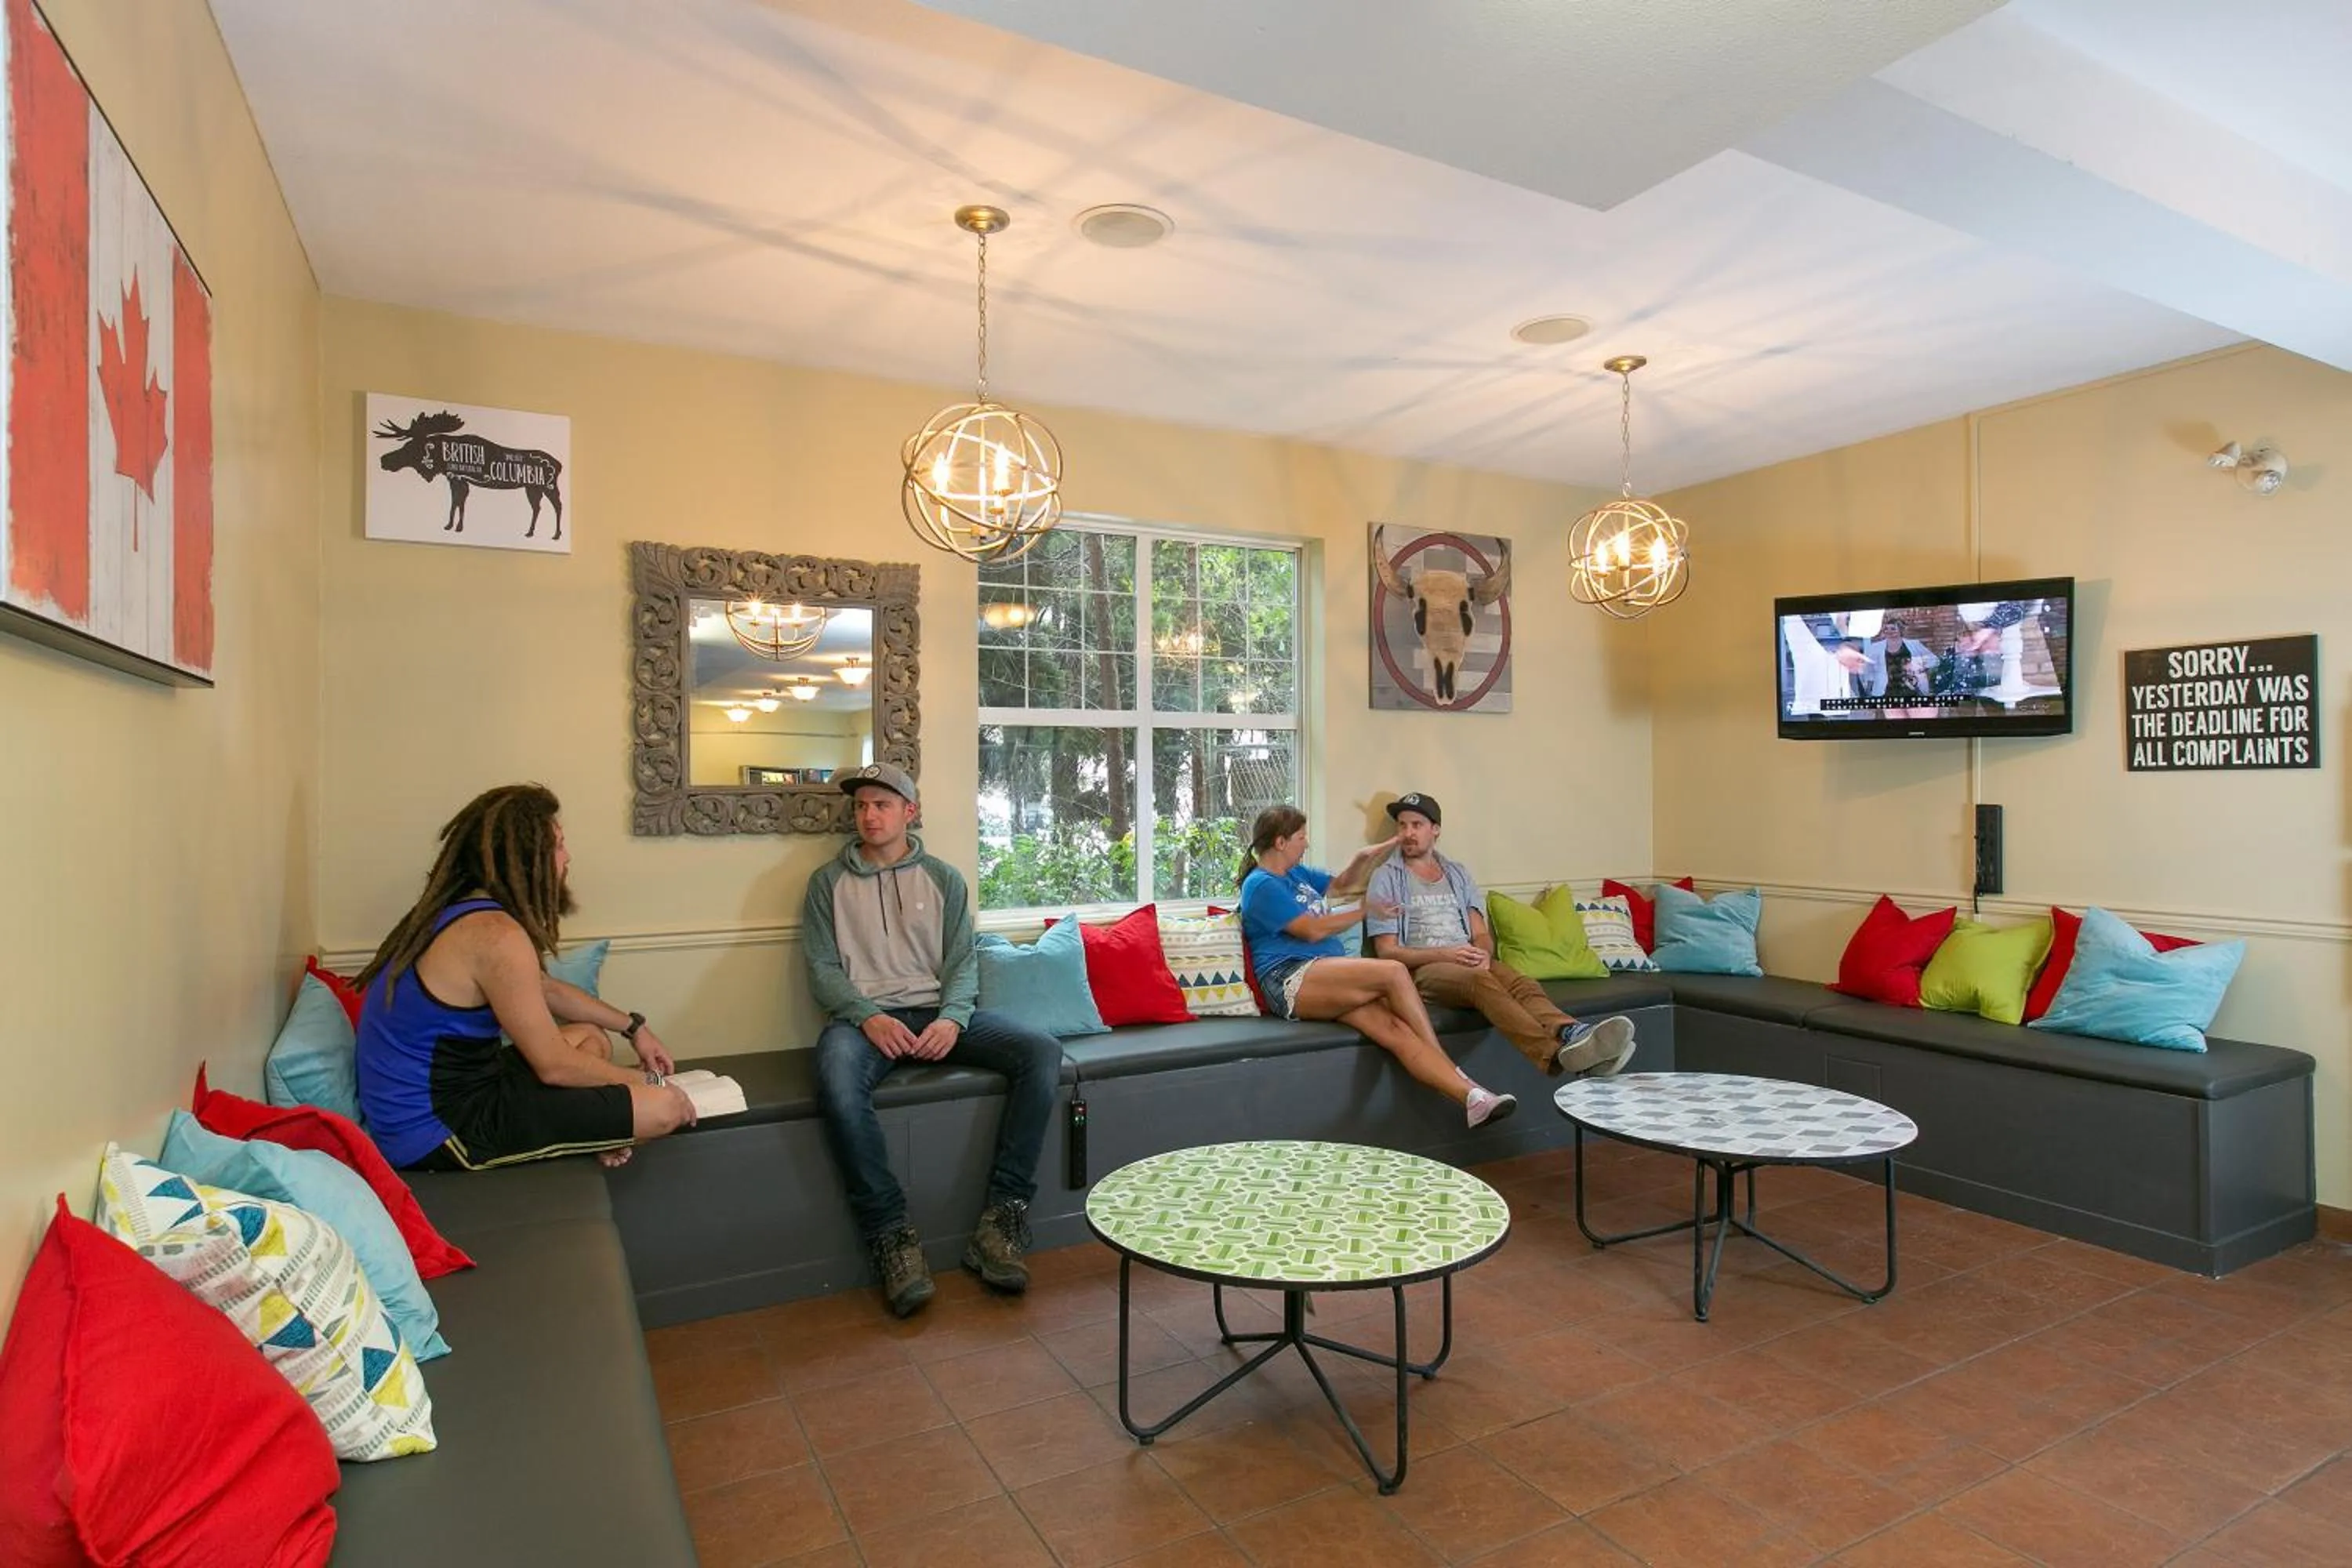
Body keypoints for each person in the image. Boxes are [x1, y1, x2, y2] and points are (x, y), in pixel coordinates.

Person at [803, 762, 1062, 1319]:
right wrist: (866, 1015)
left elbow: (962, 962)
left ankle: (1002, 1222)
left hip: (937, 1013)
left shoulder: (944, 878)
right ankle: (892, 1237)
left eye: (882, 805)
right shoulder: (827, 883)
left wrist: (952, 1018)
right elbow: (822, 969)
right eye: (861, 806)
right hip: (863, 1022)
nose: (869, 816)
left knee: (1040, 1052)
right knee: (837, 1083)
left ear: (909, 813)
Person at [355, 783, 697, 1174]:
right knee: (664, 1109)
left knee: (588, 1035)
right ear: (525, 859)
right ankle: (595, 1132)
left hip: (467, 1088)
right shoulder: (497, 936)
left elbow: (546, 989)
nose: (567, 858)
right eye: (559, 846)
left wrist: (635, 1028)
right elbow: (554, 1066)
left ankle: (594, 1128)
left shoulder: (463, 912)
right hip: (437, 1131)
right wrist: (648, 1083)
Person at [1235, 804, 1519, 1128]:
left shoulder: (1296, 875)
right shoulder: (1261, 885)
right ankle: (1450, 1067)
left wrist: (1368, 854)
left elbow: (1341, 884)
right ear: (1281, 842)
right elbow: (1311, 930)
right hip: (1290, 977)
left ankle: (1474, 1100)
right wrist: (1366, 910)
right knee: (1394, 972)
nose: (1307, 844)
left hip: (1326, 974)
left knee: (1396, 1030)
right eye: (1302, 837)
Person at [1365, 793, 1638, 1079]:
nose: (1408, 834)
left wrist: (1483, 952)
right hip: (1422, 970)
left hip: (1467, 959)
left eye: (1417, 825)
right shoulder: (1386, 878)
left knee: (1522, 983)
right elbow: (1388, 952)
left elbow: (1480, 933)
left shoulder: (1457, 874)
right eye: (1402, 826)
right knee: (1479, 981)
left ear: (1436, 829)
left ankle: (1573, 1033)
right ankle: (1554, 1055)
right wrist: (1446, 954)